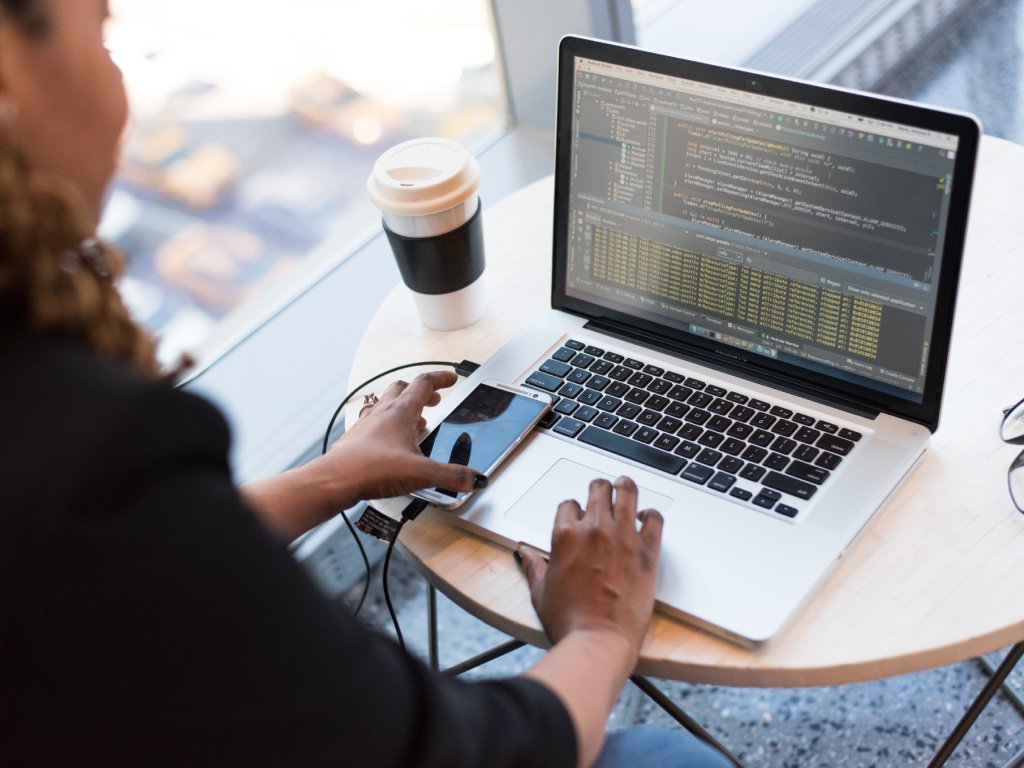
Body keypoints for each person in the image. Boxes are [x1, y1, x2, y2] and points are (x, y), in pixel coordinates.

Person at [0, 2, 733, 766]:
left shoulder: (66, 471)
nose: (115, 67)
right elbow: (458, 753)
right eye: (101, 25)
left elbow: (120, 563)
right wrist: (601, 633)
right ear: (9, 73)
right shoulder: (92, 452)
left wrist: (327, 479)